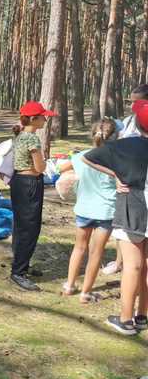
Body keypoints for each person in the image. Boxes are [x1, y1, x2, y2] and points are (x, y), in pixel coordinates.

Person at [83, 99, 148, 335]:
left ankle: (126, 320)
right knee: (145, 266)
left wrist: (117, 176)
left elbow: (88, 157)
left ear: (137, 124)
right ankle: (142, 315)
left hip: (133, 207)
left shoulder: (125, 145)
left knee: (132, 265)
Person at [59, 118, 119, 303]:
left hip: (84, 209)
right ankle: (86, 292)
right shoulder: (117, 159)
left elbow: (61, 167)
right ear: (116, 136)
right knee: (96, 252)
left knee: (79, 248)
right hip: (106, 212)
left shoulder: (82, 156)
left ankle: (69, 286)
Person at [9, 101, 58, 291]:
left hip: (18, 183)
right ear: (33, 119)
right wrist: (48, 164)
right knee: (29, 229)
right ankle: (18, 272)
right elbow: (40, 167)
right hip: (29, 184)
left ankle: (22, 264)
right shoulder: (32, 139)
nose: (46, 119)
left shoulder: (20, 135)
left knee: (21, 226)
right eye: (42, 116)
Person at [102, 85, 148, 276]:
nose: (131, 106)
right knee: (125, 229)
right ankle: (120, 262)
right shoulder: (128, 122)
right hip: (128, 187)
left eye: (136, 102)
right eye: (130, 101)